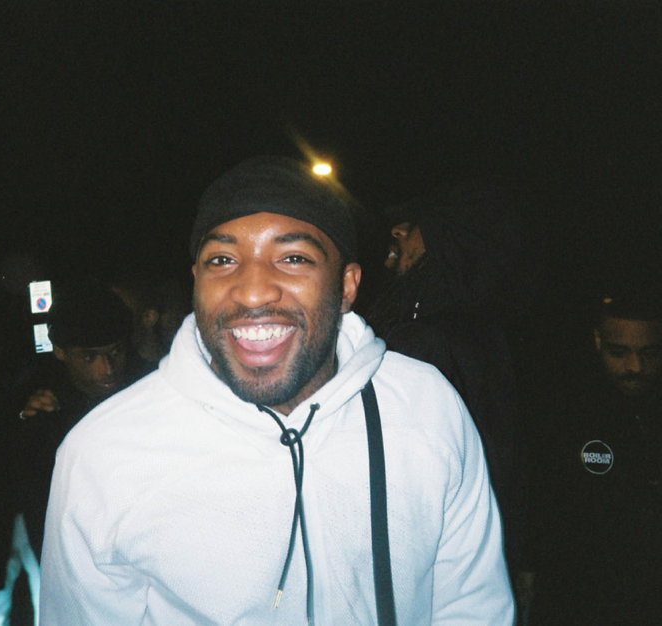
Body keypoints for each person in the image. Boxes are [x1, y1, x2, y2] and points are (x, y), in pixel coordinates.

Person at [40, 157, 514, 625]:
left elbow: (473, 607)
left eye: (293, 258)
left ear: (347, 286)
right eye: (222, 260)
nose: (252, 291)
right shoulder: (105, 453)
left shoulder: (425, 407)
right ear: (196, 283)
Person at [362, 180, 542, 587]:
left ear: (451, 240)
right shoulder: (482, 330)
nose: (397, 231)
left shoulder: (427, 341)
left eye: (416, 223)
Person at [0, 278, 155, 626]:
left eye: (114, 352)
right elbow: (40, 516)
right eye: (89, 356)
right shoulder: (42, 407)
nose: (106, 369)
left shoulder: (151, 389)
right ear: (61, 351)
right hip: (75, 566)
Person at [527, 291, 662, 625]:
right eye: (619, 352)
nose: (635, 367)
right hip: (575, 601)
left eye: (649, 354)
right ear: (598, 341)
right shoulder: (562, 412)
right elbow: (537, 507)